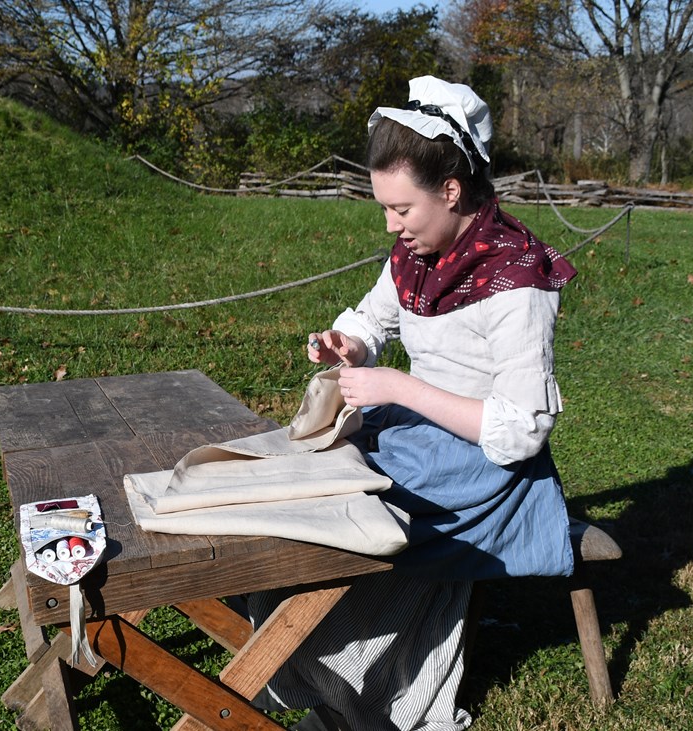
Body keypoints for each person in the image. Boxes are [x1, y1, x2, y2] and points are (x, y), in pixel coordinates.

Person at [247, 76, 580, 730]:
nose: (392, 225)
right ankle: (320, 678)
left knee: (340, 529)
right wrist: (349, 342)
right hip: (419, 438)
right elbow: (376, 317)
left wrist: (397, 387)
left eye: (402, 209)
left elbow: (520, 432)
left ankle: (358, 693)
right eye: (384, 210)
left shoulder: (517, 282)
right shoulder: (415, 255)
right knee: (295, 492)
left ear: (451, 191)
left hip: (485, 470)